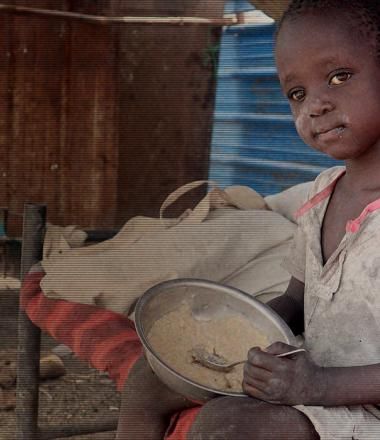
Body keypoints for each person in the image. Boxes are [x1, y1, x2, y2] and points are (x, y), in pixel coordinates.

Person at [19, 0, 380, 438]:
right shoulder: (323, 195)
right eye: (296, 93)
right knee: (150, 379)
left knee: (227, 427)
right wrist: (240, 332)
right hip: (314, 379)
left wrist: (319, 385)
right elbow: (299, 299)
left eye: (339, 77)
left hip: (365, 406)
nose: (316, 105)